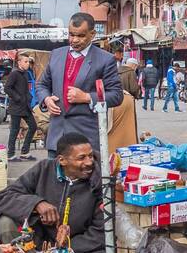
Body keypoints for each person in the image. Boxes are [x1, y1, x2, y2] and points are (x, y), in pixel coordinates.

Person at [0, 132, 107, 253]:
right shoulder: (44, 169)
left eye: (90, 156)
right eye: (81, 158)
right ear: (62, 160)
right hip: (39, 244)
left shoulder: (100, 180)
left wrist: (60, 251)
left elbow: (99, 232)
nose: (89, 162)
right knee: (5, 221)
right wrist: (37, 204)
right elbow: (0, 199)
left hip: (79, 249)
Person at [35, 12, 123, 154]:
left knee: (85, 176)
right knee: (53, 176)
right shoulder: (56, 54)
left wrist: (87, 97)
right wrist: (46, 99)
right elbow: (42, 85)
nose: (74, 40)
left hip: (86, 140)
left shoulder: (105, 60)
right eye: (71, 34)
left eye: (80, 36)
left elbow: (117, 95)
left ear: (92, 34)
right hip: (57, 138)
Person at [3, 54, 38, 161]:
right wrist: (17, 97)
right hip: (16, 107)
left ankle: (25, 152)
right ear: (19, 63)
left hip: (25, 106)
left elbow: (25, 89)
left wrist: (28, 97)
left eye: (28, 62)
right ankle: (10, 154)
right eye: (26, 62)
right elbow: (7, 88)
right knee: (14, 130)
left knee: (33, 126)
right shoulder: (14, 74)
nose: (28, 64)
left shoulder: (26, 74)